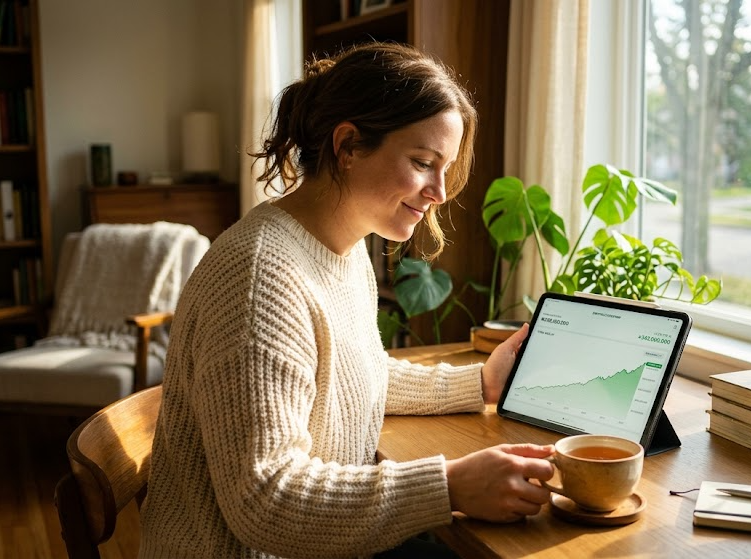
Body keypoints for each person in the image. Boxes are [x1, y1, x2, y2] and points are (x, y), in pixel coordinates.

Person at [139, 42, 555, 559]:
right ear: (348, 146)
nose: (439, 192)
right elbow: (266, 500)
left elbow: (351, 374)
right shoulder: (260, 277)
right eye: (423, 163)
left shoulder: (343, 247)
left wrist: (482, 383)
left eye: (443, 169)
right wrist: (448, 486)